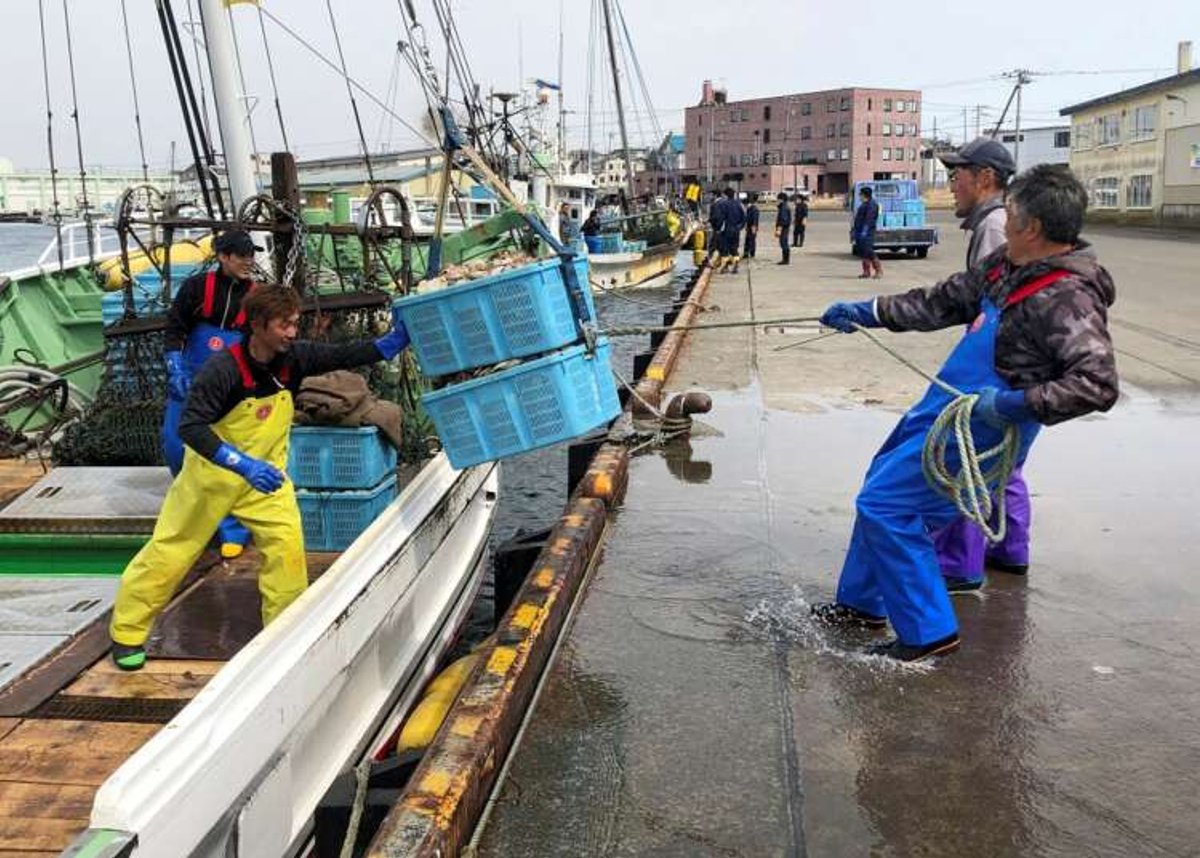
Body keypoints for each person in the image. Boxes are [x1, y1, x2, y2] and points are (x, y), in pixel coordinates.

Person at [811, 165, 1118, 661]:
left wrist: (1012, 404)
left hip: (982, 423)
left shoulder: (1068, 297)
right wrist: (870, 311)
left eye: (1011, 213)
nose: (1003, 219)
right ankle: (860, 605)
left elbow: (1097, 384)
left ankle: (927, 633)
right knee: (880, 482)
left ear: (1033, 226)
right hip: (945, 404)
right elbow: (943, 300)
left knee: (889, 506)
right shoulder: (1006, 267)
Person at [109, 286, 412, 671]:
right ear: (257, 325)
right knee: (171, 551)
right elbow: (191, 427)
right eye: (284, 325)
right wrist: (242, 465)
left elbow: (345, 354)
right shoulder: (222, 370)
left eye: (295, 324)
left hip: (266, 480)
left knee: (287, 554)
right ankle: (127, 632)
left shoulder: (295, 358)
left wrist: (391, 343)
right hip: (210, 479)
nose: (292, 333)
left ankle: (283, 638)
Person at [932, 137, 1022, 592]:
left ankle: (959, 563)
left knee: (970, 459)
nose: (952, 184)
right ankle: (1010, 548)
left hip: (996, 360)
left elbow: (987, 301)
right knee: (1005, 457)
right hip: (1014, 360)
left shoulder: (993, 227)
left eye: (957, 175)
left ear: (985, 178)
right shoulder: (998, 222)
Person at [162, 229, 262, 560]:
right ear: (222, 256)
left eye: (252, 255)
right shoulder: (196, 288)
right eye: (242, 255)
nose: (249, 261)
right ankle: (197, 520)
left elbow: (259, 344)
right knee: (176, 447)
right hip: (189, 380)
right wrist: (175, 366)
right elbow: (175, 329)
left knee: (227, 454)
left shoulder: (256, 297)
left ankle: (234, 528)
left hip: (230, 384)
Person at [852, 186, 882, 279]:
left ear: (864, 195)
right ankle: (866, 271)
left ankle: (878, 270)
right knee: (863, 251)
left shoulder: (871, 205)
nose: (859, 196)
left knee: (869, 251)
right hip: (859, 231)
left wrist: (864, 231)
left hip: (867, 232)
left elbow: (869, 219)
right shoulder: (864, 204)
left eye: (860, 194)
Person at [716, 187, 745, 273]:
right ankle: (736, 263)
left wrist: (718, 228)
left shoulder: (723, 204)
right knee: (734, 249)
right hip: (736, 230)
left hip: (726, 230)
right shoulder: (739, 204)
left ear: (725, 195)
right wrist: (739, 227)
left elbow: (720, 218)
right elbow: (743, 217)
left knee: (725, 249)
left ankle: (724, 267)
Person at [774, 192, 792, 265]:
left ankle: (785, 260)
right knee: (784, 242)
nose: (777, 201)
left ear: (781, 199)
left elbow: (782, 220)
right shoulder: (784, 206)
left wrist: (779, 230)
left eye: (778, 199)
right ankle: (785, 259)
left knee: (783, 243)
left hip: (784, 228)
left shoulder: (783, 208)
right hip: (785, 228)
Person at [743, 193, 760, 259]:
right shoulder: (749, 209)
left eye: (745, 205)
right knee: (747, 240)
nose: (744, 206)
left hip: (753, 227)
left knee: (752, 240)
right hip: (749, 227)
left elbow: (755, 219)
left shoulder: (754, 209)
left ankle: (752, 253)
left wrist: (754, 227)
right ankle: (746, 253)